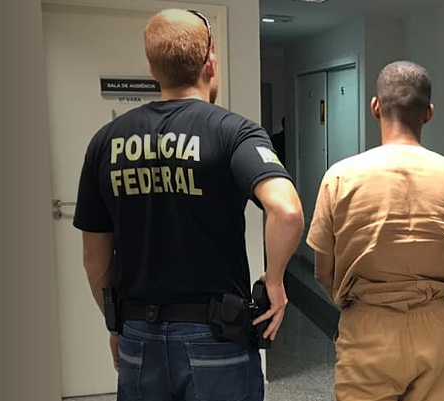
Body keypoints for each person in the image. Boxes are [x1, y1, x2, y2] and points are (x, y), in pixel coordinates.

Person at [72, 9, 304, 401]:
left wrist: (117, 325)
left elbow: (95, 260)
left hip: (138, 335)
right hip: (216, 338)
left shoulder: (106, 141)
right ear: (210, 62)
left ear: (152, 68)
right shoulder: (234, 132)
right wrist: (276, 282)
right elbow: (287, 210)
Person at [309, 60, 444, 401]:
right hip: (436, 325)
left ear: (375, 107)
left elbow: (323, 271)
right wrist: (433, 303)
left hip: (368, 324)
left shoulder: (340, 178)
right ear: (429, 113)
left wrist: (359, 305)